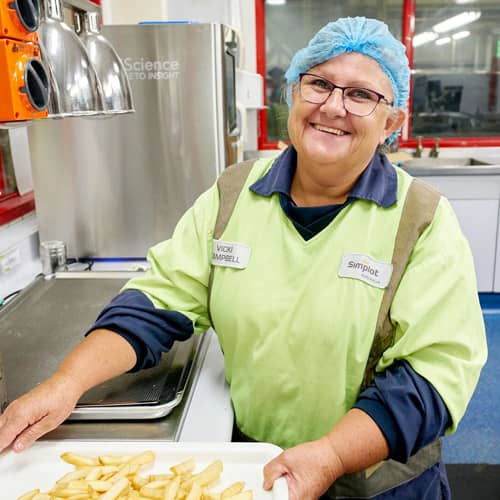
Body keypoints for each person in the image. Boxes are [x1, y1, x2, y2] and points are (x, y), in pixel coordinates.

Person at [0, 16, 487, 500]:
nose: (333, 106)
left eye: (361, 95)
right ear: (294, 94)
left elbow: (432, 376)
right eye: (319, 84)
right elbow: (154, 302)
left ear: (392, 122)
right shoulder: (233, 195)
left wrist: (333, 454)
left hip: (380, 486)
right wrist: (65, 385)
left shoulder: (421, 221)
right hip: (259, 470)